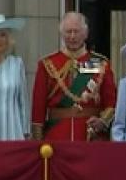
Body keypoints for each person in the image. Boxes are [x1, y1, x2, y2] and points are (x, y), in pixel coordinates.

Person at [31, 12, 117, 141]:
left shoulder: (99, 62)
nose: (72, 36)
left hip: (91, 136)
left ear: (85, 34)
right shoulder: (48, 63)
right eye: (68, 32)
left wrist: (102, 121)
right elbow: (38, 106)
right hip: (57, 135)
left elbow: (111, 102)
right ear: (62, 34)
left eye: (76, 32)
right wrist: (37, 140)